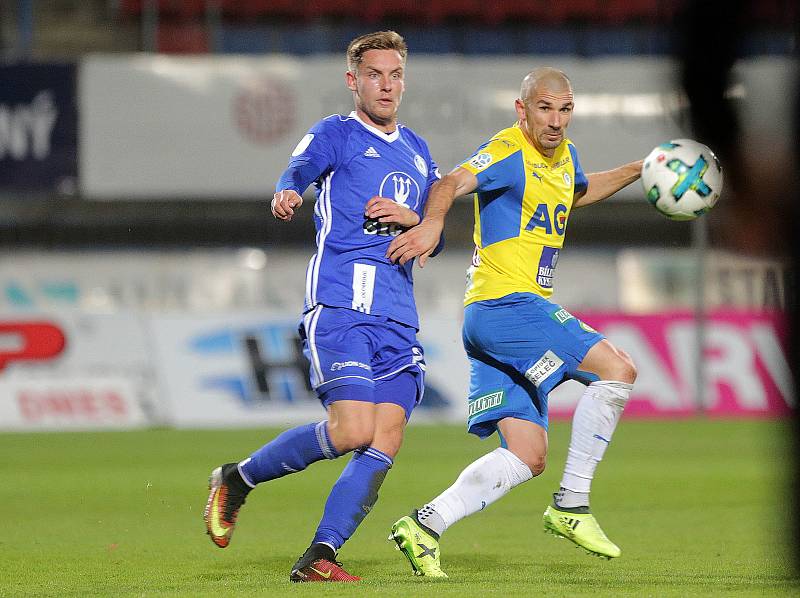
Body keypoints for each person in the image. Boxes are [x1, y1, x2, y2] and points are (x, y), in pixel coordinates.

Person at [203, 31, 442, 583]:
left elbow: (434, 235)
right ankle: (237, 479)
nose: (387, 85)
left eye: (396, 74)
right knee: (354, 429)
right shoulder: (337, 132)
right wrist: (288, 191)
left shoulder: (418, 149)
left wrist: (421, 225)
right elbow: (298, 171)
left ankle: (321, 555)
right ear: (352, 80)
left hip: (399, 318)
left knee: (385, 439)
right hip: (343, 306)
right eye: (375, 74)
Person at [385, 67, 643, 577]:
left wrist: (639, 169)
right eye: (545, 108)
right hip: (508, 306)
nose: (556, 120)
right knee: (619, 370)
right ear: (521, 110)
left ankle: (424, 525)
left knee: (527, 454)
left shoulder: (565, 159)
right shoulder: (507, 150)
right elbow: (451, 182)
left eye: (565, 109)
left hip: (491, 322)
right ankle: (571, 504)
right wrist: (433, 222)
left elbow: (579, 191)